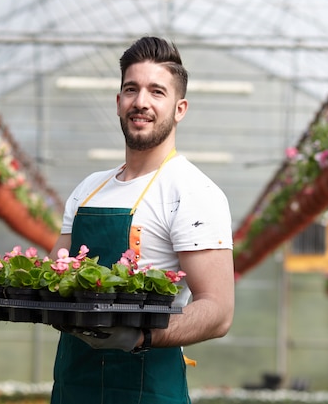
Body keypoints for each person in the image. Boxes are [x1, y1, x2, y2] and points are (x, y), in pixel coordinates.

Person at [49, 36, 234, 404]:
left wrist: (141, 336)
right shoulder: (89, 189)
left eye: (157, 91)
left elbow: (218, 311)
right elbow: (55, 275)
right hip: (74, 384)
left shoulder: (192, 191)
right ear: (118, 102)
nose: (141, 102)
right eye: (131, 89)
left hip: (147, 390)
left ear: (180, 108)